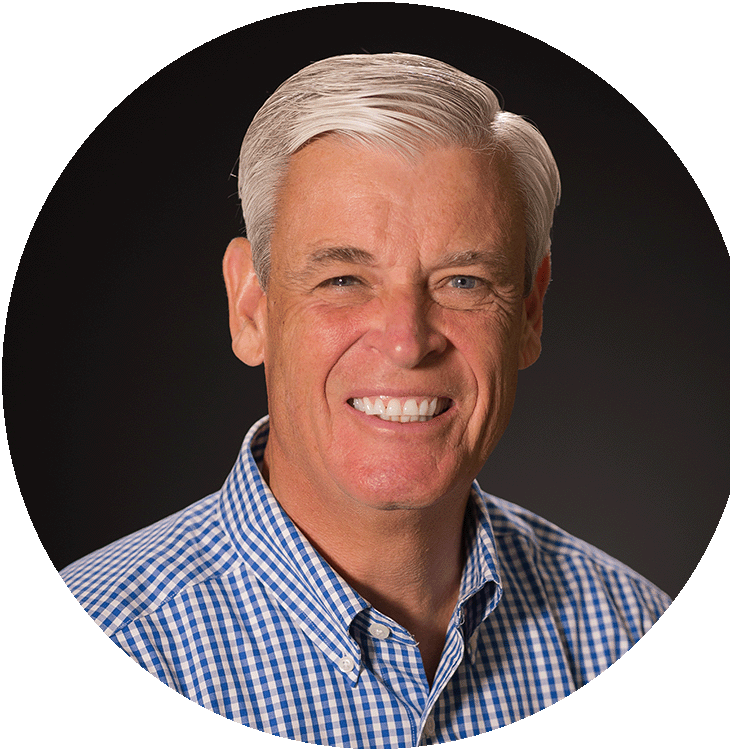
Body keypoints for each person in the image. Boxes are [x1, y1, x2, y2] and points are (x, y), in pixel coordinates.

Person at [60, 53, 670, 747]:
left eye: (463, 282)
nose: (407, 343)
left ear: (529, 312)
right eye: (344, 280)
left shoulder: (635, 637)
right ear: (251, 307)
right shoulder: (89, 655)